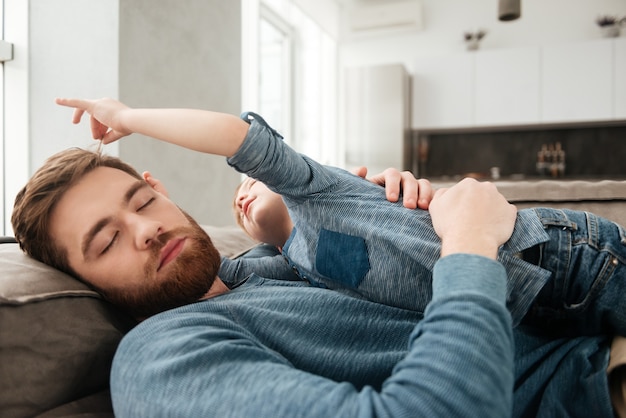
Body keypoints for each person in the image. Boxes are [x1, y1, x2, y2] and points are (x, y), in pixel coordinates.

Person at [9, 97, 618, 416]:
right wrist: (469, 248)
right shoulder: (161, 360)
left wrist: (385, 209)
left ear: (159, 189)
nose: (143, 229)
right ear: (77, 277)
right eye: (105, 241)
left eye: (141, 200)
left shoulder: (258, 268)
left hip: (583, 326)